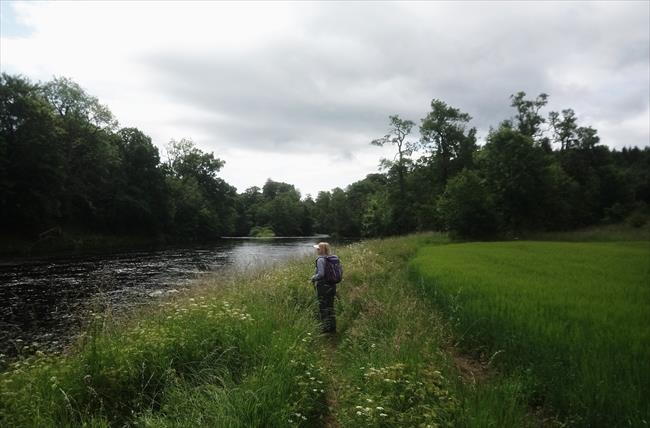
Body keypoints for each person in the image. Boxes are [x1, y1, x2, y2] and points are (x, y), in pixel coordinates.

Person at [310, 242, 337, 334]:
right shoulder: (331, 258)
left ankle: (325, 329)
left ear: (321, 250)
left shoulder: (320, 260)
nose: (316, 250)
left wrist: (313, 278)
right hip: (332, 285)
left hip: (323, 286)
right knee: (330, 306)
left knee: (323, 307)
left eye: (318, 249)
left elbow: (321, 274)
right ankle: (333, 327)